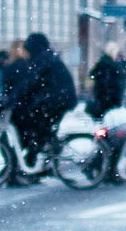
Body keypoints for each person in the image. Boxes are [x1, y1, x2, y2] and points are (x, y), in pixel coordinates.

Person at [4, 33, 77, 183]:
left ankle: (41, 160)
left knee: (37, 130)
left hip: (57, 100)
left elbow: (30, 83)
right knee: (40, 131)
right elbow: (34, 84)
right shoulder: (47, 57)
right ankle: (42, 159)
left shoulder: (41, 59)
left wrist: (13, 99)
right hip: (61, 99)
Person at [87, 42, 126, 121]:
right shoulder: (112, 65)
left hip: (103, 97)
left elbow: (93, 74)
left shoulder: (103, 63)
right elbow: (115, 81)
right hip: (108, 98)